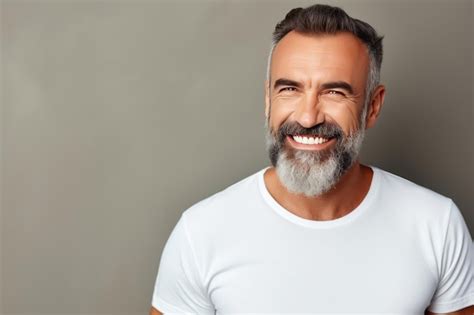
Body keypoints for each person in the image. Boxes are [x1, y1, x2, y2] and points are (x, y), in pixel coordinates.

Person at [150, 4, 473, 314]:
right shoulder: (202, 231)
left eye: (335, 92)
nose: (307, 117)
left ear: (372, 106)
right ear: (268, 99)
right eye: (289, 89)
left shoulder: (436, 223)